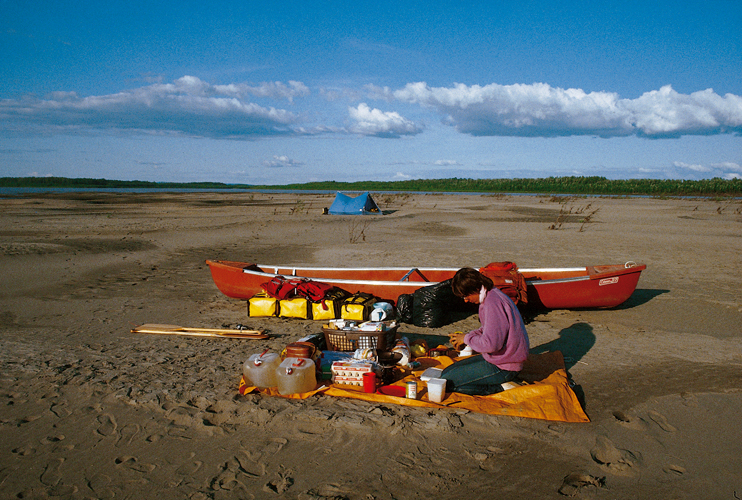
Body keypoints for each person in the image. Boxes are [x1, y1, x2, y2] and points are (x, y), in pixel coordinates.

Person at [441, 267, 530, 395]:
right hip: (498, 359)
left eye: (466, 295)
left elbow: (491, 344)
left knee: (446, 382)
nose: (465, 300)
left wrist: (466, 339)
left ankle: (501, 387)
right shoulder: (491, 295)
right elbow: (490, 328)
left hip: (505, 366)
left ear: (476, 289)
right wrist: (467, 336)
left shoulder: (492, 303)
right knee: (445, 373)